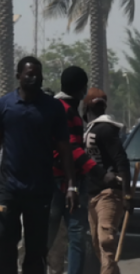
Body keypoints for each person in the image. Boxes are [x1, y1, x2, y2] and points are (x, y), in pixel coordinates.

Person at [0, 56, 79, 274]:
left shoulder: (52, 108)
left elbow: (65, 148)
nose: (34, 78)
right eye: (29, 74)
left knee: (36, 250)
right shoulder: (5, 105)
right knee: (5, 244)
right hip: (9, 190)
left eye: (38, 74)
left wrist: (71, 186)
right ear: (19, 76)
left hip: (40, 190)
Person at [48, 66, 104, 274]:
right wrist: (98, 171)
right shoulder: (66, 111)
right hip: (63, 183)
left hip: (55, 181)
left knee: (50, 236)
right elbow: (72, 149)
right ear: (81, 90)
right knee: (76, 237)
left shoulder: (56, 106)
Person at [82, 88, 131, 274]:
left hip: (109, 194)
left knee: (106, 241)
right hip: (92, 194)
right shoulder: (91, 129)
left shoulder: (105, 129)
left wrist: (126, 194)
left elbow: (122, 161)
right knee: (97, 244)